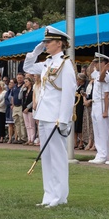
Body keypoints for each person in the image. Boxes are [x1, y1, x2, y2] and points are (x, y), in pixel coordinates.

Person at [23, 27, 76, 207]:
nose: (45, 44)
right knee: (46, 156)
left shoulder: (65, 64)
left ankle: (60, 196)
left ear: (59, 43)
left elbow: (69, 93)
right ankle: (49, 195)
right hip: (44, 115)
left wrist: (63, 119)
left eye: (48, 42)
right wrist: (35, 51)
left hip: (55, 117)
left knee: (57, 157)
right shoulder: (47, 62)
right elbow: (27, 67)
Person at [87, 53, 109, 164]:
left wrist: (106, 110)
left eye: (99, 62)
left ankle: (104, 155)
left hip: (102, 103)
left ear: (105, 64)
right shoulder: (96, 74)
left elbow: (106, 95)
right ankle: (99, 153)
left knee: (103, 131)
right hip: (95, 103)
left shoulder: (106, 75)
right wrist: (94, 61)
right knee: (96, 130)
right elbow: (89, 72)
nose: (96, 64)